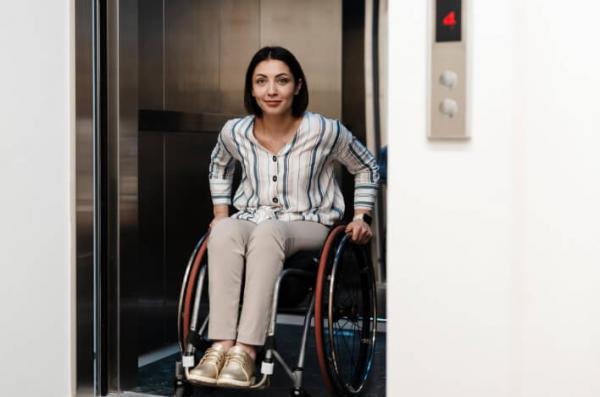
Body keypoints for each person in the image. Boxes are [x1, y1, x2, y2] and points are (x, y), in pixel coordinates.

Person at [188, 46, 379, 388]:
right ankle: (220, 346)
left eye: (281, 81)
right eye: (261, 81)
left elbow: (365, 166)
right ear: (251, 89)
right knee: (226, 230)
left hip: (308, 223)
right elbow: (219, 165)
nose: (271, 90)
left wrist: (361, 215)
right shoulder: (235, 132)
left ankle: (246, 350)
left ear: (298, 86)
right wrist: (220, 212)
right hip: (250, 217)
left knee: (270, 231)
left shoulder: (324, 130)